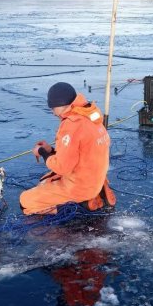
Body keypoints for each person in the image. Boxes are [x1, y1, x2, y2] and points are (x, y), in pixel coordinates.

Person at [20, 82, 115, 215]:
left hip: (80, 187)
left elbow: (62, 167)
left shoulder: (71, 125)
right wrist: (51, 151)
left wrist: (42, 152)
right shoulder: (91, 115)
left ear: (60, 105)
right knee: (45, 180)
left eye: (52, 108)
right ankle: (93, 194)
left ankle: (79, 205)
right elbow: (78, 152)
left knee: (25, 202)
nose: (53, 113)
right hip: (94, 180)